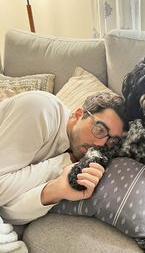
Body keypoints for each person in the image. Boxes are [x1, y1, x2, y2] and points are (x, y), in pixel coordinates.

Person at [0, 90, 125, 226]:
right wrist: (65, 160)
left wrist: (57, 189)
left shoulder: (76, 159)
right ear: (78, 115)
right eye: (100, 129)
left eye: (111, 141)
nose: (101, 144)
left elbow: (8, 214)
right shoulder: (41, 109)